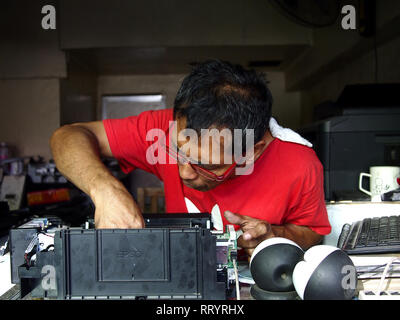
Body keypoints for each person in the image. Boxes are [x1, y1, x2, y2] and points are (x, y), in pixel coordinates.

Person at [50, 60, 331, 258]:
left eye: (207, 166)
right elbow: (68, 136)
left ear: (252, 151)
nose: (183, 172)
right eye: (177, 152)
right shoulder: (160, 130)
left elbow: (311, 231)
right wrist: (106, 190)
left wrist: (275, 235)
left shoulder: (299, 163)